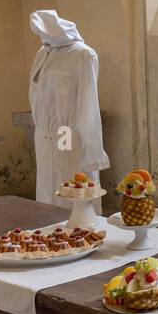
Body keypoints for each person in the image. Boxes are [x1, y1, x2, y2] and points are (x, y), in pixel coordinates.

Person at [27, 10, 108, 202]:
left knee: (71, 185)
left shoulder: (83, 55)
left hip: (66, 133)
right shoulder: (43, 53)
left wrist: (93, 151)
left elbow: (89, 105)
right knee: (47, 188)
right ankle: (49, 229)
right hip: (43, 135)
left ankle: (80, 227)